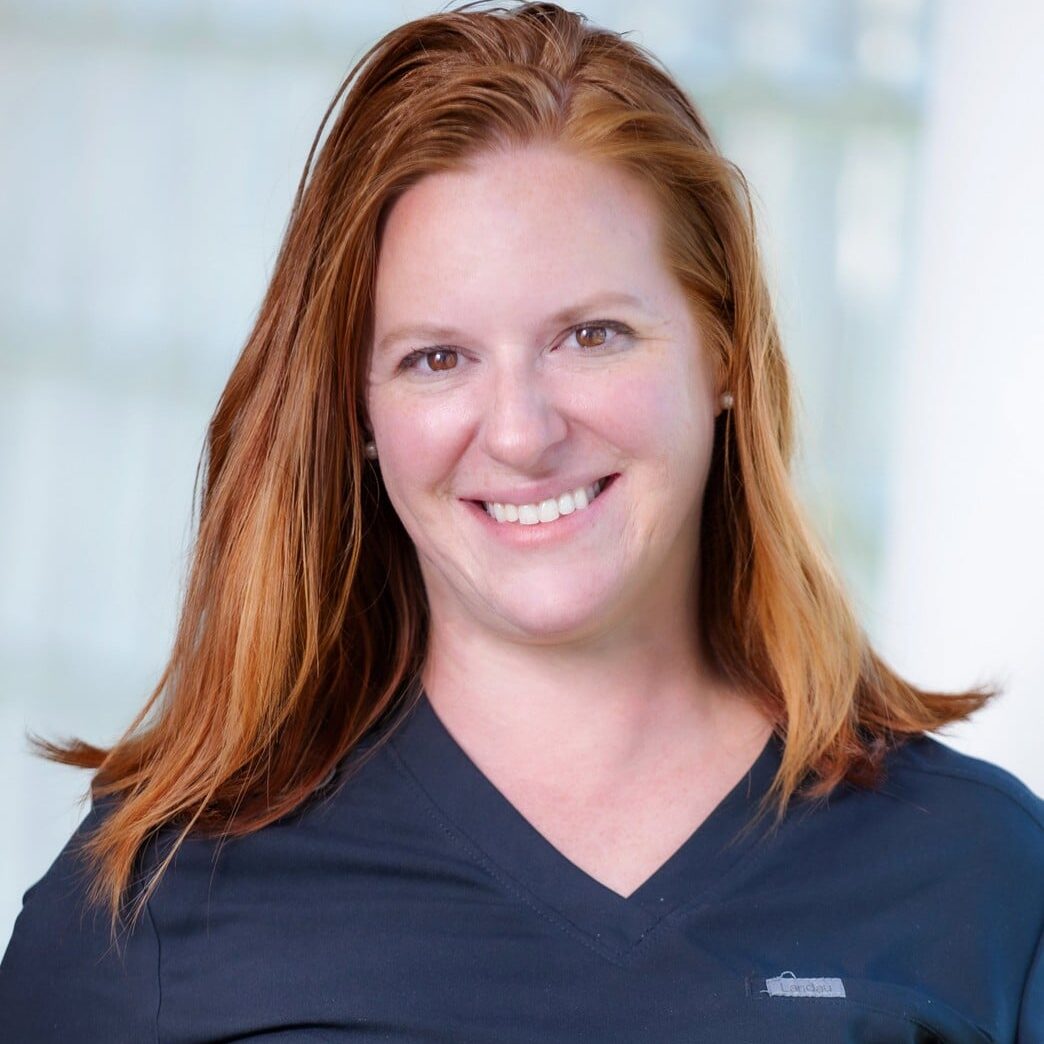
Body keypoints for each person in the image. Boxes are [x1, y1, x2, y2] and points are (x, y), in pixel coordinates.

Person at [1, 2, 1041, 1040]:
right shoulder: (148, 914)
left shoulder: (979, 874)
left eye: (591, 335)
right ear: (356, 411)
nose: (521, 432)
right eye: (437, 358)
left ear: (721, 352)